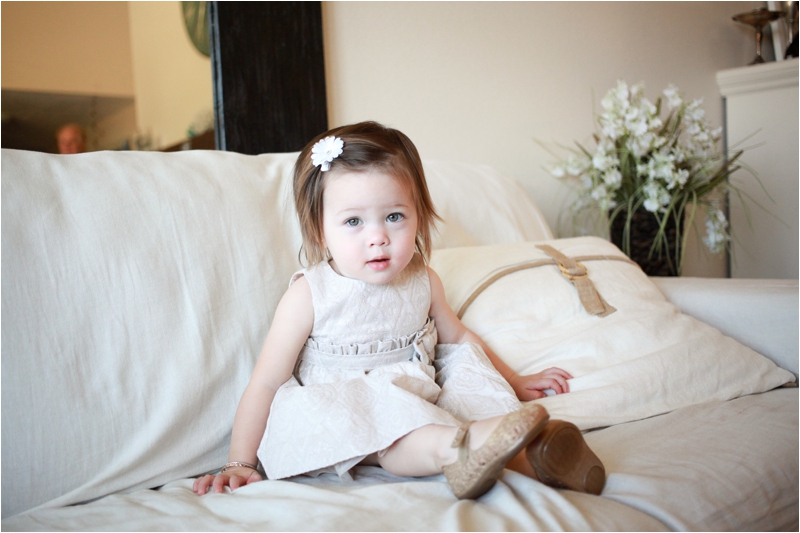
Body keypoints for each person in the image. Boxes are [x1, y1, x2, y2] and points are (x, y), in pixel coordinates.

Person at [193, 121, 604, 499]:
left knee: (469, 380)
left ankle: (536, 458)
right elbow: (267, 382)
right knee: (396, 434)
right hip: (347, 410)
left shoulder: (423, 280)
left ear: (418, 217)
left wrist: (514, 380)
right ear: (320, 230)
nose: (378, 237)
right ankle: (456, 450)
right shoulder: (310, 294)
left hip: (419, 394)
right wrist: (239, 462)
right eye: (353, 222)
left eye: (394, 217)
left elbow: (460, 337)